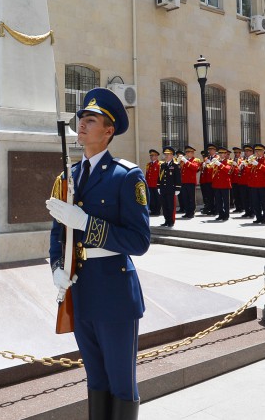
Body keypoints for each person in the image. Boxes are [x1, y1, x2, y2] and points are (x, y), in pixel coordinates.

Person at [46, 88, 150, 420]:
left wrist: (87, 224)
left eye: (91, 121)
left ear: (108, 131)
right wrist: (56, 268)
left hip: (115, 292)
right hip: (81, 290)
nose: (82, 125)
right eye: (81, 120)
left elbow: (139, 241)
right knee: (95, 378)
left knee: (121, 382)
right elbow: (57, 234)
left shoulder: (126, 176)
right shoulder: (68, 177)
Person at [246, 144, 265, 225]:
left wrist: (258, 164)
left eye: (259, 151)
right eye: (256, 151)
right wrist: (247, 165)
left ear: (263, 151)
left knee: (264, 202)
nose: (257, 153)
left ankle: (264, 217)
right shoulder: (253, 160)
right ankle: (258, 217)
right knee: (255, 202)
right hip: (254, 184)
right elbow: (248, 172)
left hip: (263, 184)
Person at [158, 147, 181, 228]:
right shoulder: (163, 165)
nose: (166, 156)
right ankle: (166, 220)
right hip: (163, 189)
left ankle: (171, 221)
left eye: (168, 154)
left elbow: (178, 178)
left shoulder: (175, 165)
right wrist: (158, 186)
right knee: (164, 206)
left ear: (172, 155)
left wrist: (177, 188)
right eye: (165, 154)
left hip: (171, 189)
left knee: (170, 206)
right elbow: (160, 177)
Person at [178, 146, 201, 219]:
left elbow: (195, 168)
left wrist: (186, 161)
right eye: (186, 152)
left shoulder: (196, 160)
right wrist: (178, 162)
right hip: (184, 181)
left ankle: (191, 212)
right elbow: (179, 169)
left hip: (191, 181)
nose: (187, 154)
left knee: (191, 198)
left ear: (192, 153)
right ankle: (187, 212)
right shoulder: (184, 160)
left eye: (189, 152)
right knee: (185, 198)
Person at [210, 147, 233, 221]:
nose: (221, 155)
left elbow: (227, 170)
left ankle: (226, 215)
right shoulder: (216, 161)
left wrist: (219, 164)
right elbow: (211, 171)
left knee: (226, 201)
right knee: (218, 200)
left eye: (223, 153)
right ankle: (220, 214)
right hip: (216, 184)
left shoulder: (229, 161)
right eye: (220, 153)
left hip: (225, 184)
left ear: (226, 154)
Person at [199, 144, 218, 216]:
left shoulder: (217, 158)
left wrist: (210, 163)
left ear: (215, 151)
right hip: (207, 180)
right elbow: (202, 169)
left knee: (215, 196)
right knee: (209, 196)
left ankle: (216, 210)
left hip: (213, 179)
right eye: (209, 150)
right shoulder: (206, 158)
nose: (210, 151)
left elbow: (216, 167)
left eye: (212, 150)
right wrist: (203, 165)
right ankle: (211, 209)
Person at [144, 149, 161, 217]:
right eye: (150, 155)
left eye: (153, 155)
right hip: (150, 184)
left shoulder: (159, 164)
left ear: (156, 156)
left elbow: (160, 175)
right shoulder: (149, 164)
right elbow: (147, 175)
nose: (151, 157)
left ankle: (157, 211)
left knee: (157, 198)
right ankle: (152, 210)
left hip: (156, 184)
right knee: (151, 198)